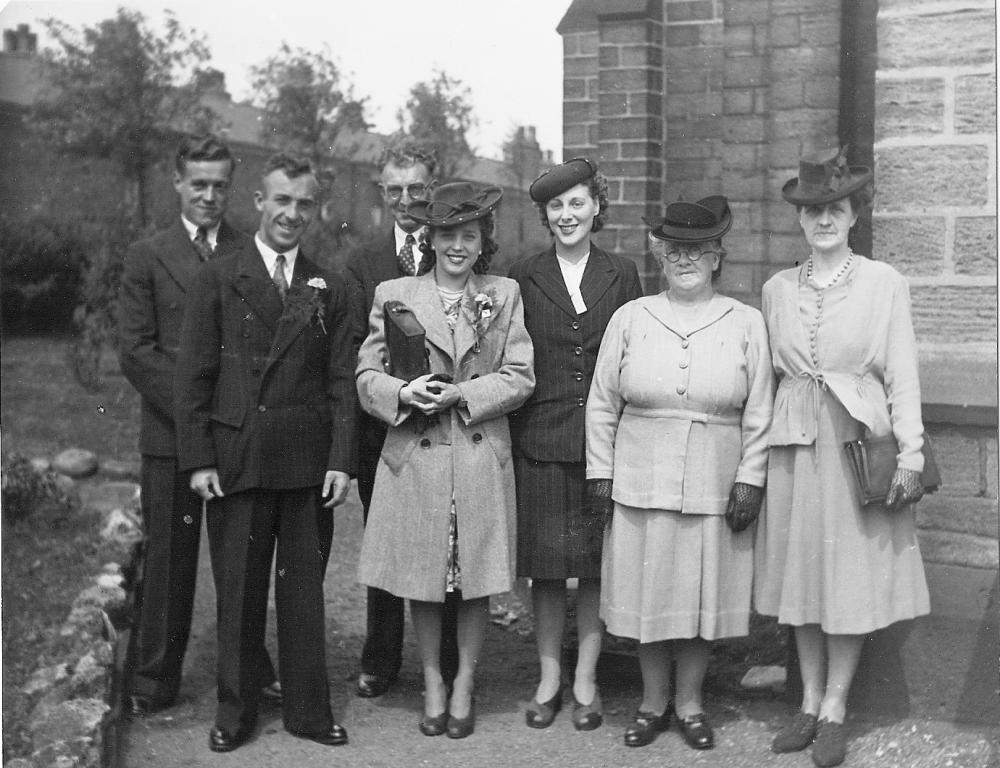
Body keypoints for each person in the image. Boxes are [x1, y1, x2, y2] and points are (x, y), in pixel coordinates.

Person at [174, 152, 357, 752]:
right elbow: (194, 377)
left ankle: (308, 710)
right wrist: (199, 458)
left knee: (303, 593)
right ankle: (235, 711)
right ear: (259, 202)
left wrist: (340, 459)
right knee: (240, 593)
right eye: (282, 200)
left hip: (305, 463)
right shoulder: (219, 276)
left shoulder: (325, 283)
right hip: (239, 458)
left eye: (304, 204)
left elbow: (338, 382)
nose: (292, 214)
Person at [754, 148, 930, 768]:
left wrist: (910, 453)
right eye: (811, 211)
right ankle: (806, 700)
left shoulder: (884, 284)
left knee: (849, 578)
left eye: (835, 208)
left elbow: (902, 374)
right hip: (796, 443)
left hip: (858, 443)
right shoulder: (776, 290)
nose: (823, 219)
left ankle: (835, 704)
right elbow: (767, 381)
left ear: (854, 213)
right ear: (799, 221)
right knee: (804, 575)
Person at [586, 195, 773, 750]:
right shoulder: (632, 317)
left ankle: (690, 704)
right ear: (658, 256)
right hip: (641, 479)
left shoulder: (746, 323)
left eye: (697, 249)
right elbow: (601, 403)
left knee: (697, 598)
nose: (684, 259)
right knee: (650, 595)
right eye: (673, 250)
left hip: (714, 482)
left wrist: (750, 478)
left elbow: (760, 409)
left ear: (717, 257)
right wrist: (602, 472)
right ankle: (649, 704)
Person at [355, 182, 534, 739]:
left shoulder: (502, 293)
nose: (458, 246)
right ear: (430, 239)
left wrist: (464, 395)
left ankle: (464, 684)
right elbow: (367, 375)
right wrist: (403, 395)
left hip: (479, 452)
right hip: (419, 454)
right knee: (424, 574)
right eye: (448, 235)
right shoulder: (395, 291)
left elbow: (520, 375)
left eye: (469, 236)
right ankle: (433, 679)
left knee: (475, 575)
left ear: (484, 241)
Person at [118, 134, 279, 718]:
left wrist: (228, 417)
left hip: (237, 438)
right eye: (199, 185)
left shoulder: (251, 249)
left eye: (219, 186)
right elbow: (136, 351)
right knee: (168, 559)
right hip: (170, 437)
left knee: (239, 561)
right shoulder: (148, 255)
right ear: (178, 184)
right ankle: (154, 678)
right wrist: (198, 415)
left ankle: (249, 673)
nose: (209, 196)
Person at [507, 158, 642, 731]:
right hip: (540, 440)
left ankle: (585, 677)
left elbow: (634, 352)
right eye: (556, 206)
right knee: (544, 569)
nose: (567, 215)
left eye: (577, 203)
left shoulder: (622, 271)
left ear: (596, 208)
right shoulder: (524, 274)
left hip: (603, 445)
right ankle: (548, 678)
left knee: (591, 567)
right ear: (546, 214)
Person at [343, 137, 459, 699]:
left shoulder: (455, 249)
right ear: (382, 191)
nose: (406, 200)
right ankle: (381, 659)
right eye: (395, 190)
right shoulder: (361, 261)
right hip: (384, 428)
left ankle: (454, 660)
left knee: (449, 542)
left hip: (445, 426)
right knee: (386, 544)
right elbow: (352, 356)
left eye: (417, 188)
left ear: (431, 189)